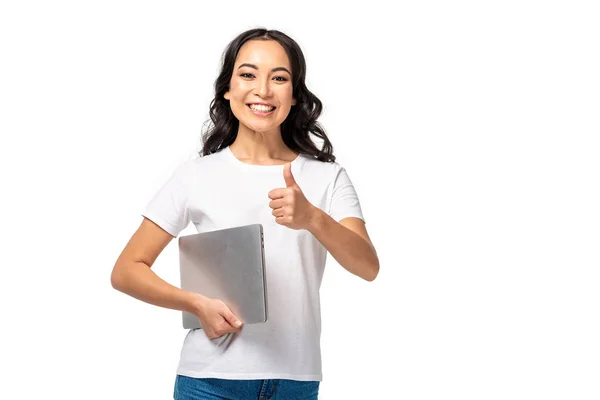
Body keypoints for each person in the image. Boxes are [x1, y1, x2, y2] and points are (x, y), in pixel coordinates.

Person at [110, 27, 379, 400]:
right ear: (227, 88)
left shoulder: (327, 177)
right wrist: (195, 303)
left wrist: (314, 219)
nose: (263, 90)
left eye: (279, 78)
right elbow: (127, 270)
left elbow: (368, 267)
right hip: (208, 381)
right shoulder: (195, 174)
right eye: (248, 74)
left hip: (294, 381)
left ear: (295, 95)